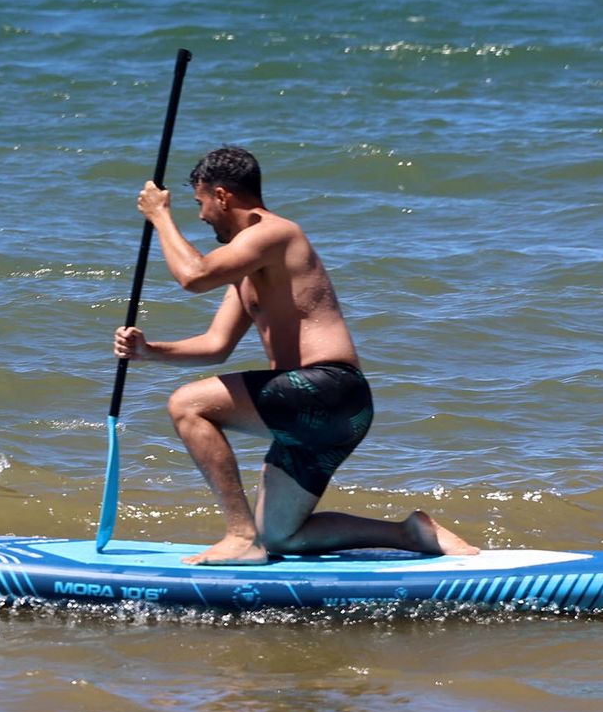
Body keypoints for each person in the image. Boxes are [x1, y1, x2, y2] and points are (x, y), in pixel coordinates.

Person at [113, 145, 478, 564]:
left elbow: (193, 276)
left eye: (200, 203)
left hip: (327, 389)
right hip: (323, 412)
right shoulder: (249, 265)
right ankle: (411, 533)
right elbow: (216, 346)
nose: (201, 216)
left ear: (222, 195)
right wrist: (149, 351)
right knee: (283, 536)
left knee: (187, 405)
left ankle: (239, 536)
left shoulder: (275, 233)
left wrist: (160, 216)